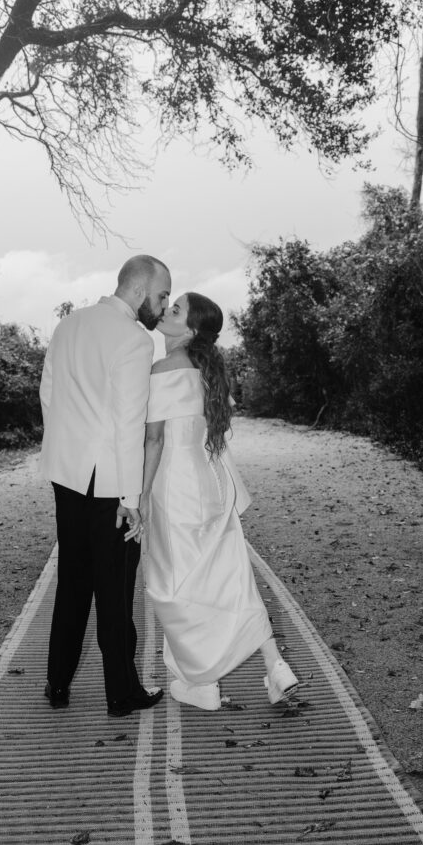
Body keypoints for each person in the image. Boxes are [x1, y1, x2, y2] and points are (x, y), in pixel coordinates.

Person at [140, 292, 298, 711]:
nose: (166, 312)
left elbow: (154, 440)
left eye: (175, 310)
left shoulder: (161, 370)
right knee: (230, 577)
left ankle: (200, 681)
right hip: (211, 482)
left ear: (190, 329)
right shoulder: (208, 371)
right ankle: (275, 666)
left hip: (174, 486)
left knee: (172, 585)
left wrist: (138, 496)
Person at [39, 255, 171, 717]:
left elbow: (48, 394)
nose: (164, 304)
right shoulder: (135, 341)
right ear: (138, 291)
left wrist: (63, 447)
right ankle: (121, 692)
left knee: (73, 578)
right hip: (108, 483)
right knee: (114, 587)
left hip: (66, 472)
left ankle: (57, 683)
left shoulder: (69, 324)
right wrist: (131, 501)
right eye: (161, 295)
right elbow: (128, 423)